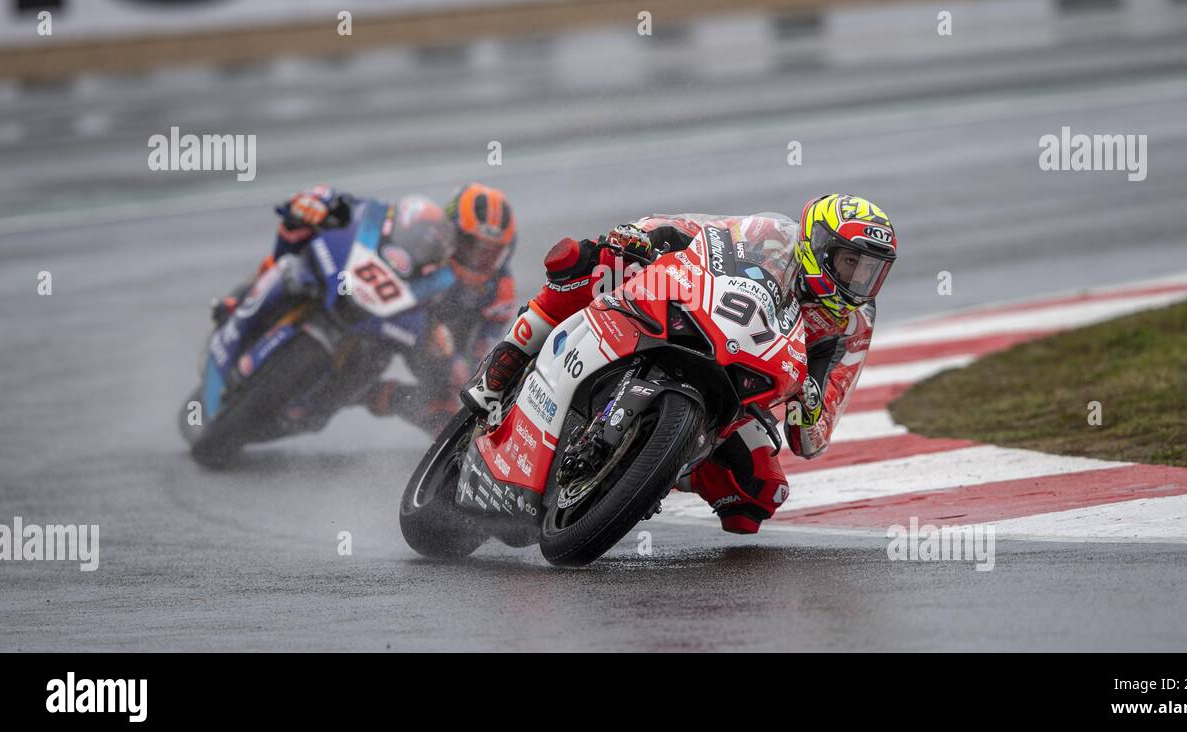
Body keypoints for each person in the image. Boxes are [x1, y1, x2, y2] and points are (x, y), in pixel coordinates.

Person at [460, 193, 896, 534]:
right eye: (850, 262)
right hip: (696, 317)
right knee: (594, 260)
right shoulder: (772, 237)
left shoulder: (854, 324)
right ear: (819, 245)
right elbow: (696, 231)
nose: (859, 280)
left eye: (871, 272)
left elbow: (813, 439)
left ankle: (654, 467)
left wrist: (812, 404)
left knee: (759, 497)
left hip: (742, 385)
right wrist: (640, 236)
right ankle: (512, 352)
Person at [216, 182, 517, 431]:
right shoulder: (428, 234)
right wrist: (328, 204)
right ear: (449, 233)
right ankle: (243, 299)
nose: (477, 259)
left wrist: (459, 365)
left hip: (432, 349)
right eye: (469, 245)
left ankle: (351, 399)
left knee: (451, 410)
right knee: (297, 245)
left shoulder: (499, 294)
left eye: (490, 253)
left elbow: (486, 353)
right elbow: (378, 217)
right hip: (386, 306)